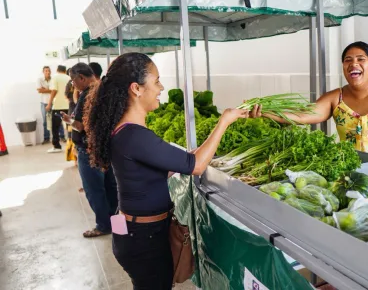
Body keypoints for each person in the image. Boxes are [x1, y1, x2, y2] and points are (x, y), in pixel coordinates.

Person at [83, 53, 249, 289]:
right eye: (157, 81)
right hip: (142, 237)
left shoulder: (125, 131)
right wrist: (224, 121)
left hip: (129, 228)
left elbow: (164, 166)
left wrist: (188, 156)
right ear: (136, 89)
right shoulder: (135, 136)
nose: (161, 88)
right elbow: (196, 166)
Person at [251, 41, 368, 164]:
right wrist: (265, 112)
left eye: (360, 59)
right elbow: (303, 115)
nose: (353, 63)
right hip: (352, 174)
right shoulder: (335, 98)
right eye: (348, 60)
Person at [63, 63, 118, 237]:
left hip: (89, 149)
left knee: (95, 190)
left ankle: (103, 226)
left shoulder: (87, 94)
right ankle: (118, 226)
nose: (73, 84)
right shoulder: (106, 90)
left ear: (81, 77)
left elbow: (79, 125)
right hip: (107, 147)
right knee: (112, 188)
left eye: (73, 80)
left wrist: (68, 120)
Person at [37, 66, 65, 144]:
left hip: (54, 102)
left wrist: (45, 89)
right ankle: (46, 138)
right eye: (46, 71)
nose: (48, 72)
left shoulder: (54, 79)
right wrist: (50, 90)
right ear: (43, 72)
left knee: (58, 120)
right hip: (44, 103)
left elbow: (55, 90)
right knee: (45, 122)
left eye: (49, 71)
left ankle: (62, 136)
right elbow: (39, 90)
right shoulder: (39, 80)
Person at [46, 65, 70, 153]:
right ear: (65, 70)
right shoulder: (69, 77)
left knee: (55, 127)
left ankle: (57, 146)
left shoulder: (55, 78)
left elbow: (54, 91)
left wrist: (49, 103)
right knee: (70, 126)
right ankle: (71, 144)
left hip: (58, 106)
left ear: (57, 70)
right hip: (68, 105)